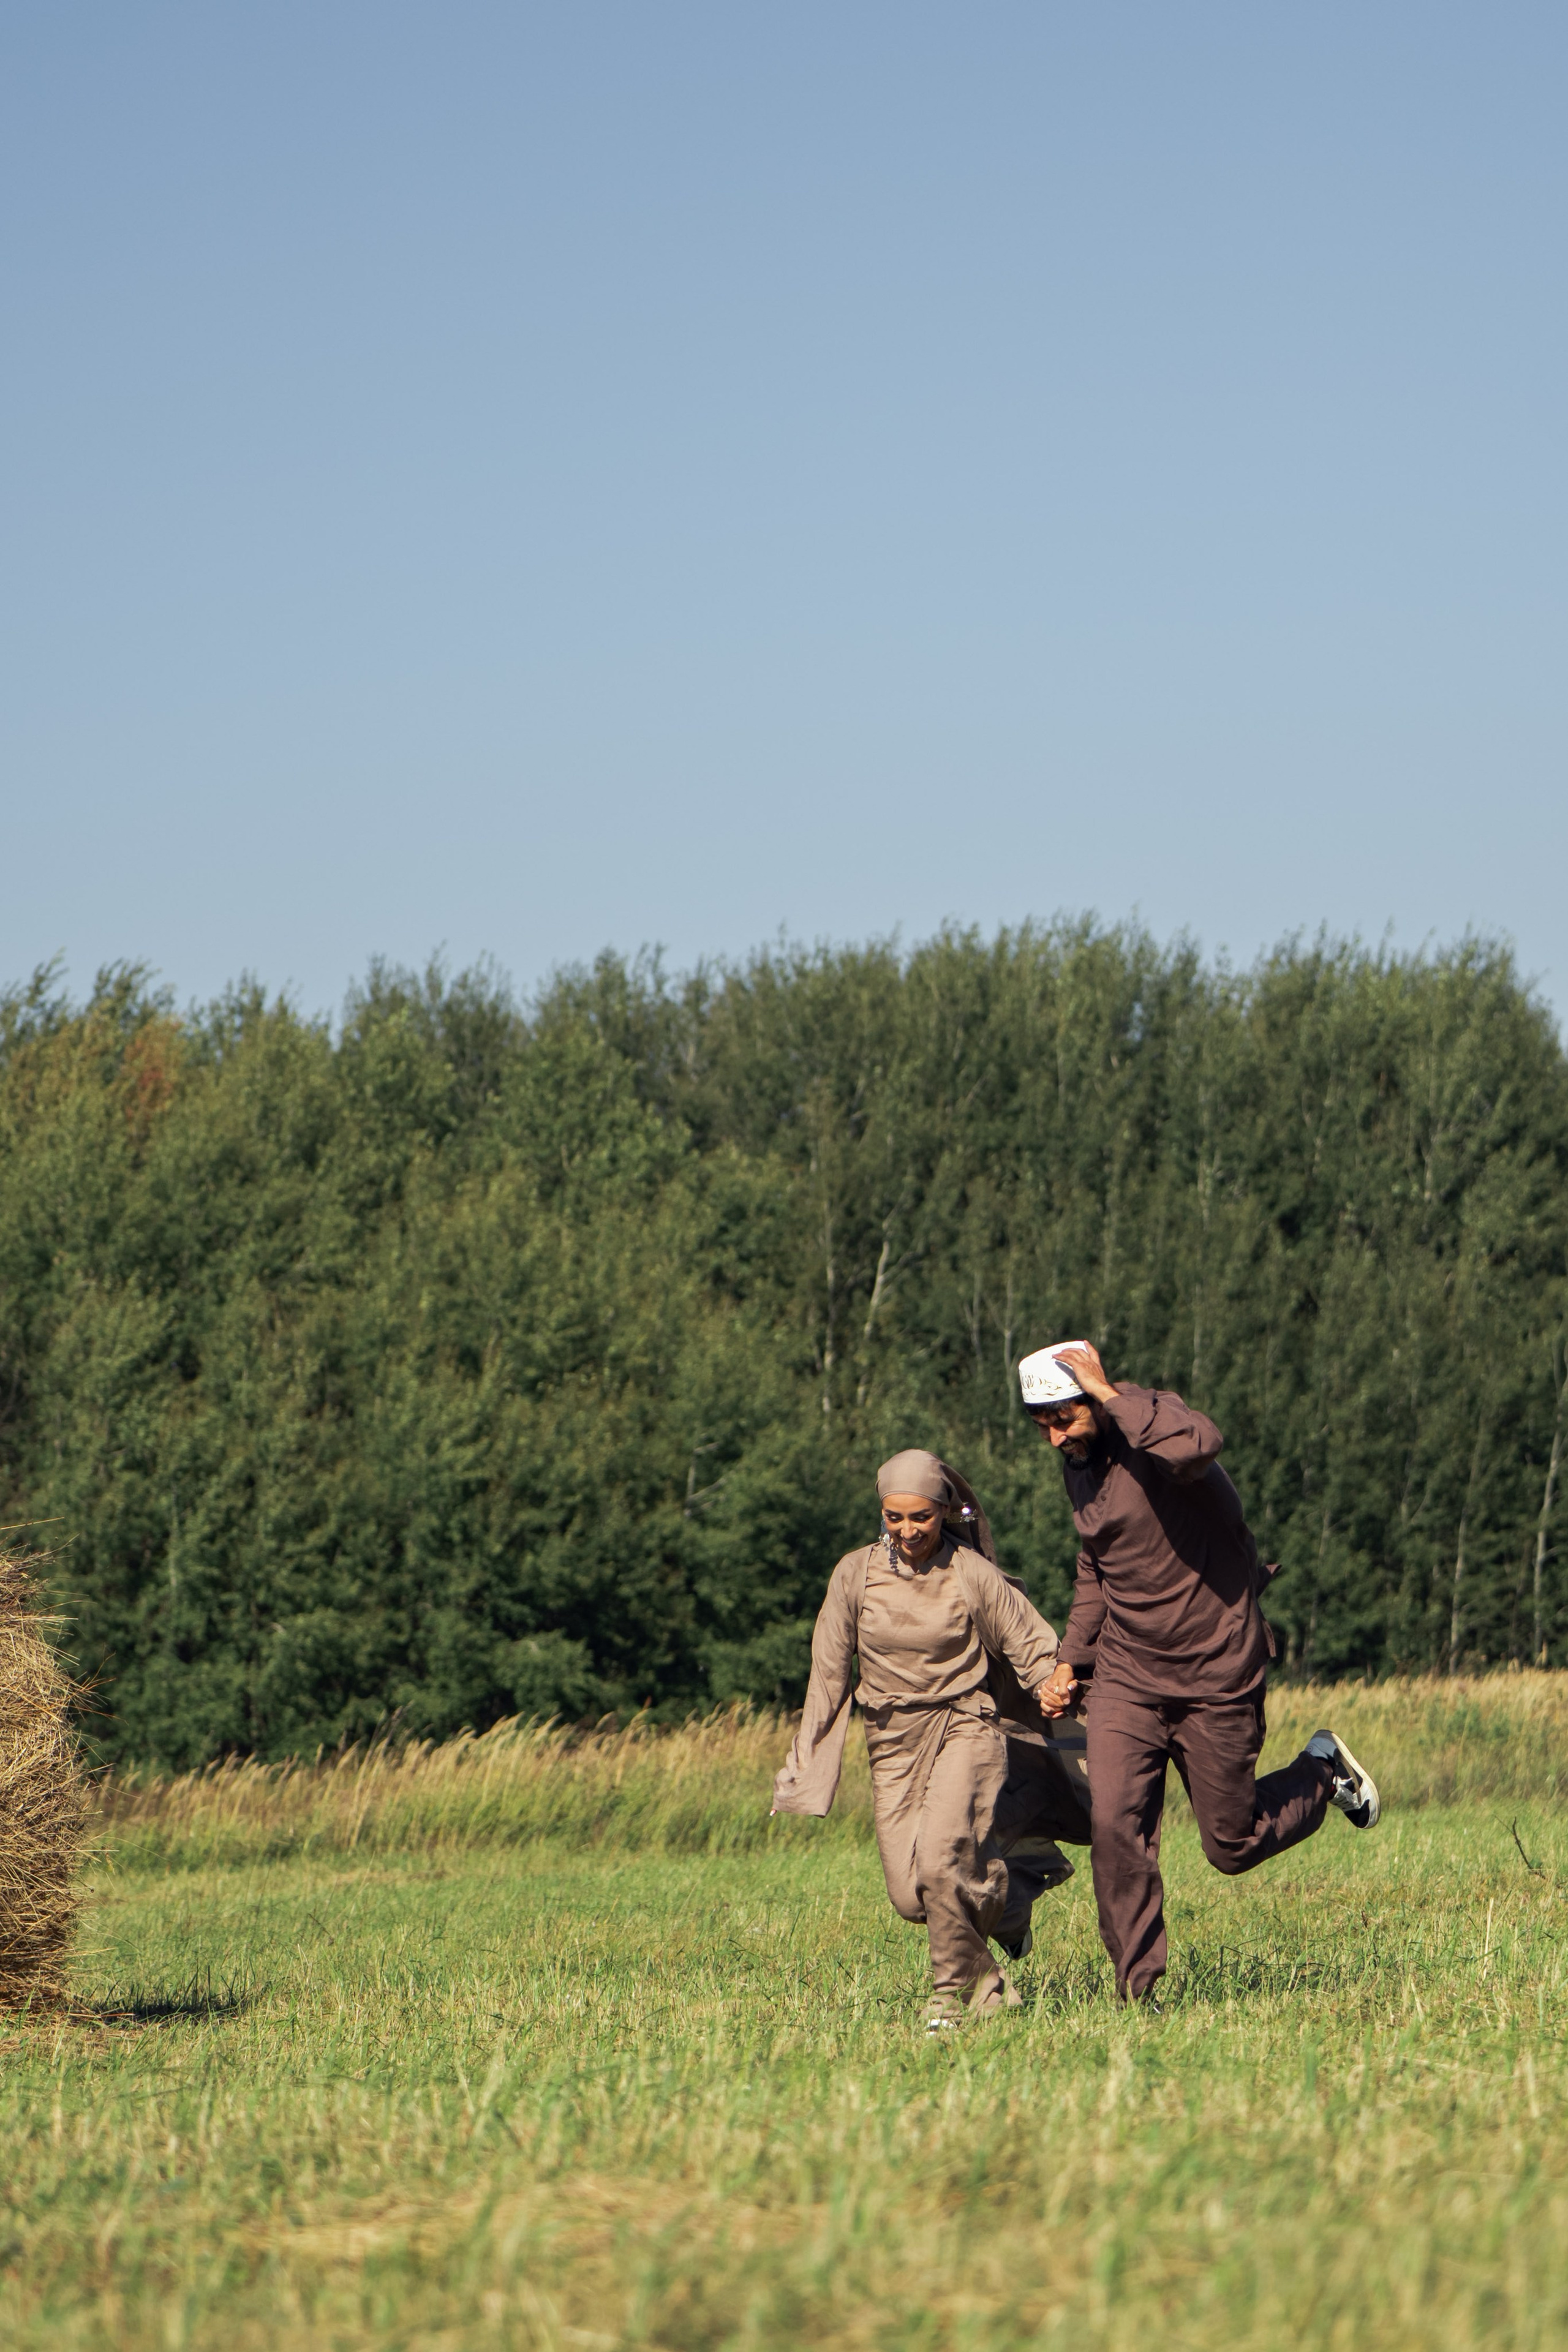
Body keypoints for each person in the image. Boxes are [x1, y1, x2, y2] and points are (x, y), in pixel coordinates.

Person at [1019, 1338, 1380, 2005]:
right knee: (1114, 1826)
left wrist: (1106, 1394)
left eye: (1062, 1418)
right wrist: (1071, 1659)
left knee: (1231, 1844)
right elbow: (1096, 1566)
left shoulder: (1152, 1426)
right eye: (1040, 1424)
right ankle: (1138, 1992)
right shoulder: (1080, 1466)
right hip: (1128, 1676)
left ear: (1092, 1395)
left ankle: (1322, 1772)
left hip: (1215, 1669)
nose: (1052, 1438)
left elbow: (1199, 1444)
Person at [772, 1449, 1082, 2029]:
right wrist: (806, 1756)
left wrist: (1050, 1685)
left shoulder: (970, 1572)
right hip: (892, 1739)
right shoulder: (854, 1575)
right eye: (895, 1518)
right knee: (913, 1897)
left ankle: (957, 1996)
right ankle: (1009, 1894)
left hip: (966, 1725)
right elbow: (830, 1672)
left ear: (945, 1511)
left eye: (921, 1517)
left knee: (942, 1864)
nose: (909, 1530)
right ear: (881, 1514)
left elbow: (1030, 1643)